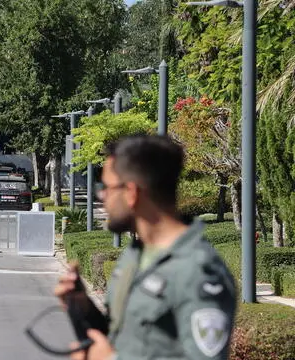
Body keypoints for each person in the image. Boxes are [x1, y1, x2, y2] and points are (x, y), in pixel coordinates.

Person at [54, 134, 237, 360]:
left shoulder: (199, 272)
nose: (102, 197)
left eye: (107, 188)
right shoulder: (135, 254)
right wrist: (82, 308)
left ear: (131, 193)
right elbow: (123, 340)